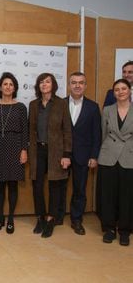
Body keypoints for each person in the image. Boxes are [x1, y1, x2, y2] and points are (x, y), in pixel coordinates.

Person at [28, 73, 72, 238]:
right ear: (38, 86)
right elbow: (30, 130)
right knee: (37, 186)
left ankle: (51, 219)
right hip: (37, 150)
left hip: (56, 151)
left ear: (53, 85)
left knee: (55, 186)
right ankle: (40, 217)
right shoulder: (33, 105)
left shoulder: (61, 104)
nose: (44, 84)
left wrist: (67, 154)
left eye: (47, 82)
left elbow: (67, 130)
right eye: (41, 82)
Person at [0, 72, 28, 234]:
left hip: (15, 146)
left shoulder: (21, 107)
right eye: (5, 84)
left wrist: (24, 150)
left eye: (11, 84)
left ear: (14, 88)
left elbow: (25, 131)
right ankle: (0, 217)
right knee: (0, 184)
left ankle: (10, 218)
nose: (8, 87)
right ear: (0, 87)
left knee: (13, 183)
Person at [63, 72, 101, 235]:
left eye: (81, 83)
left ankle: (76, 219)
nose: (77, 85)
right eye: (74, 82)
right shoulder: (60, 104)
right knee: (59, 187)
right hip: (62, 155)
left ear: (85, 85)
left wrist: (94, 156)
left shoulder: (93, 107)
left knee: (79, 189)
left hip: (83, 156)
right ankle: (57, 216)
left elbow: (97, 134)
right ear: (69, 85)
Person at [98, 79, 133, 246]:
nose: (120, 92)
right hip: (108, 157)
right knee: (108, 195)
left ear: (130, 90)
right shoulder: (107, 110)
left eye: (124, 88)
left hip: (129, 157)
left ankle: (125, 231)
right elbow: (103, 133)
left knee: (127, 196)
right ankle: (109, 229)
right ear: (113, 93)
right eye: (117, 89)